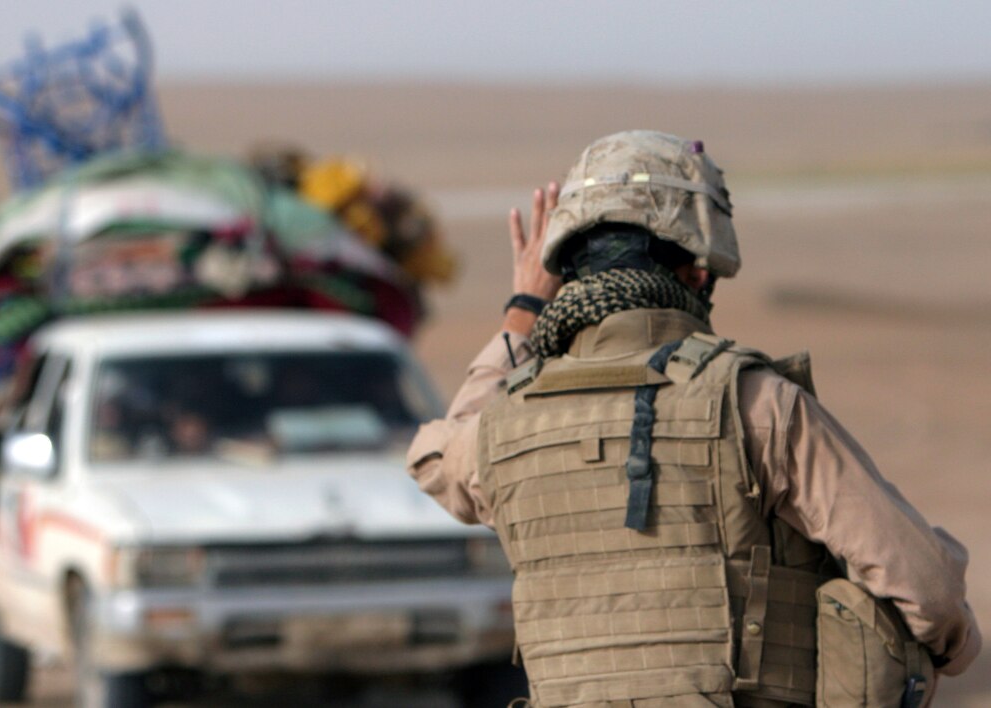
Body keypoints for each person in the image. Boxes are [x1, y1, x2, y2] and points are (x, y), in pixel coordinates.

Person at [407, 131, 980, 707]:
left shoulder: (503, 422)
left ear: (565, 272)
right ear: (698, 270)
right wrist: (955, 650)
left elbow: (433, 460)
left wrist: (523, 313)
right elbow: (924, 588)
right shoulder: (755, 401)